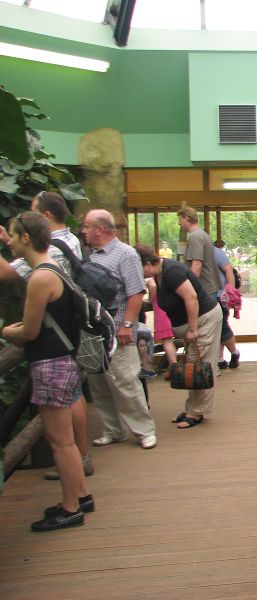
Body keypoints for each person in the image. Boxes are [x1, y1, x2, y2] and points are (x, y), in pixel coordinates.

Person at [1, 212, 93, 532]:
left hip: (51, 363)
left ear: (26, 238)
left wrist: (6, 331)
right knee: (62, 440)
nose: (9, 242)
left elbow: (29, 330)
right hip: (63, 360)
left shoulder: (40, 277)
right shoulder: (54, 267)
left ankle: (70, 509)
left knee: (61, 442)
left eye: (12, 236)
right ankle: (80, 496)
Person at [81, 210, 157, 450]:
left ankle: (144, 430)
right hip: (92, 329)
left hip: (117, 329)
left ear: (99, 229)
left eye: (86, 226)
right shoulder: (89, 255)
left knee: (125, 381)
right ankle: (114, 429)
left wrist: (126, 325)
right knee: (99, 383)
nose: (83, 231)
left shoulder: (125, 254)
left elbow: (136, 292)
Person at [136, 244, 223, 429]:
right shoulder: (159, 274)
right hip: (194, 323)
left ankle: (197, 412)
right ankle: (192, 407)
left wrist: (192, 328)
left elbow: (191, 297)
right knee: (193, 363)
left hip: (204, 319)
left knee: (200, 364)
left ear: (146, 263)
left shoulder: (172, 271)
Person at [177, 205, 219, 298]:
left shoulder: (195, 237)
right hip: (210, 288)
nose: (179, 224)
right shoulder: (203, 234)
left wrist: (189, 289)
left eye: (180, 220)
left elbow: (197, 265)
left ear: (186, 218)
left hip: (203, 289)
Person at [213, 240, 240, 370]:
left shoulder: (216, 253)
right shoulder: (202, 254)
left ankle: (234, 352)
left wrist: (231, 292)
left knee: (222, 325)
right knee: (217, 327)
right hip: (210, 295)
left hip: (219, 295)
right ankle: (220, 358)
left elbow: (228, 269)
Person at [146, 277, 178, 380]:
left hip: (161, 308)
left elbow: (152, 285)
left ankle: (174, 369)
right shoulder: (166, 271)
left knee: (167, 341)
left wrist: (150, 300)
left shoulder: (148, 273)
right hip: (173, 306)